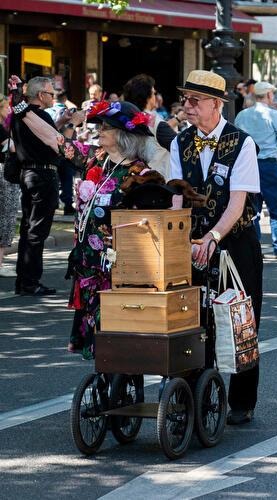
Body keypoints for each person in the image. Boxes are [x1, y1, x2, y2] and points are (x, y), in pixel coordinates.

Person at [169, 70, 263, 425]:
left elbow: (237, 203)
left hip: (235, 242)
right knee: (192, 318)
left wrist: (214, 237)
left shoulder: (242, 142)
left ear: (216, 104)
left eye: (195, 100)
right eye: (186, 99)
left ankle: (242, 401)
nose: (187, 106)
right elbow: (176, 196)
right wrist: (176, 238)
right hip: (193, 242)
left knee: (240, 319)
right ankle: (193, 394)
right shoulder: (180, 142)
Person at [67, 100, 153, 359]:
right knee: (98, 341)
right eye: (100, 126)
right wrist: (22, 108)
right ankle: (105, 379)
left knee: (116, 339)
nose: (100, 130)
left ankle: (121, 377)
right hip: (88, 262)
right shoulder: (96, 159)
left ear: (124, 135)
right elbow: (56, 143)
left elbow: (143, 224)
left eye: (107, 127)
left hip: (115, 267)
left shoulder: (139, 173)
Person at [11, 76, 86, 296]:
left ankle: (24, 280)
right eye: (51, 93)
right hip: (43, 175)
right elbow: (58, 145)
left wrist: (61, 121)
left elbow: (44, 134)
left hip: (28, 174)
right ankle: (30, 282)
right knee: (37, 231)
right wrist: (72, 123)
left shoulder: (24, 116)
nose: (54, 97)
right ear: (41, 95)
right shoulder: (39, 115)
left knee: (28, 229)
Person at [235, 81, 277, 258]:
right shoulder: (275, 116)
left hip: (247, 165)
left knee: (252, 210)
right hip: (268, 164)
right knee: (276, 208)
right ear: (268, 95)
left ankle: (255, 248)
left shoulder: (242, 115)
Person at [122, 73, 174, 174]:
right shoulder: (153, 121)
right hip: (154, 177)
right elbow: (178, 147)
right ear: (147, 97)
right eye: (154, 93)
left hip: (129, 176)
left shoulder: (125, 118)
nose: (155, 97)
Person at [0, 95, 19, 278]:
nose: (9, 110)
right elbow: (11, 147)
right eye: (6, 107)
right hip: (4, 174)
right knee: (5, 216)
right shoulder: (0, 130)